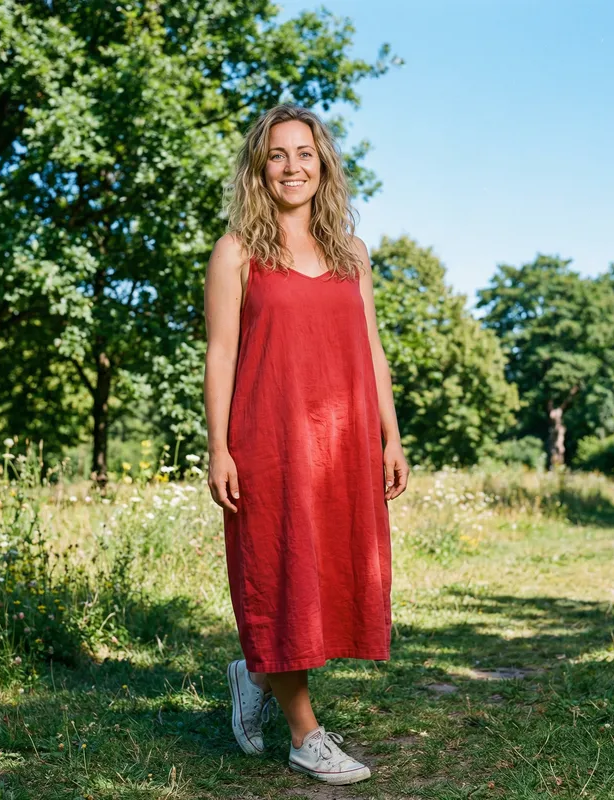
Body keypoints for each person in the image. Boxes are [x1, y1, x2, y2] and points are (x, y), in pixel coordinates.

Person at [203, 103, 409, 786]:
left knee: (325, 577)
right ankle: (305, 735)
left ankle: (256, 673)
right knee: (281, 576)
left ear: (323, 165)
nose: (292, 167)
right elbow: (221, 354)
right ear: (259, 168)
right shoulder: (236, 252)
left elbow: (371, 349)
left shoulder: (353, 253)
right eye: (277, 155)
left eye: (304, 153)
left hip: (342, 444)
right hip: (268, 441)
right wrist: (219, 448)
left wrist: (391, 437)